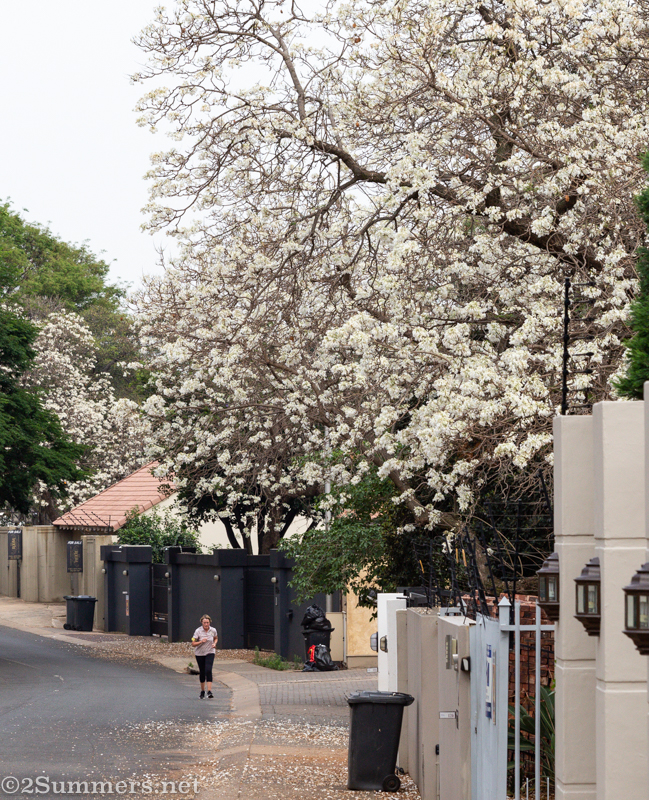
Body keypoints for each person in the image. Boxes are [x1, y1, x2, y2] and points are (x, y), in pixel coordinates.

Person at [191, 614, 218, 699]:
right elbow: (193, 643)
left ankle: (209, 691)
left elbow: (216, 638)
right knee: (202, 671)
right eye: (204, 623)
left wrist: (214, 643)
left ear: (210, 622)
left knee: (208, 670)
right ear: (202, 623)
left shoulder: (212, 630)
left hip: (210, 652)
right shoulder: (198, 631)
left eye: (207, 622)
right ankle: (202, 691)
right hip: (200, 653)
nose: (206, 624)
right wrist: (201, 641)